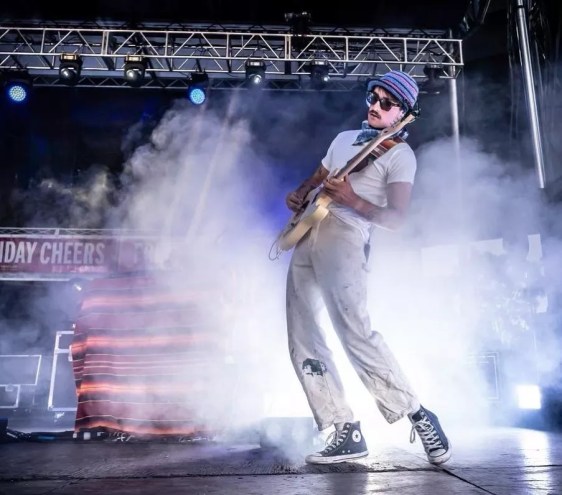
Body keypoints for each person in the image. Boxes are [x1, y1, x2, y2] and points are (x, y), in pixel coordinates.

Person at [284, 70, 451, 465]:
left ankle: (416, 412)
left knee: (355, 332)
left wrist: (351, 199)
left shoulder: (400, 155)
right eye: (373, 98)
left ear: (403, 113)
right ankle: (343, 428)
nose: (376, 106)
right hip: (309, 228)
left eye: (386, 103)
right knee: (302, 333)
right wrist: (302, 191)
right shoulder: (344, 139)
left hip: (346, 236)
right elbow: (320, 174)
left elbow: (396, 219)